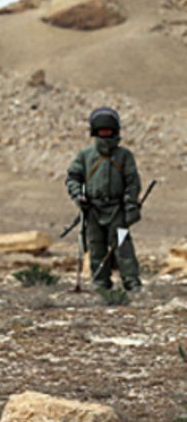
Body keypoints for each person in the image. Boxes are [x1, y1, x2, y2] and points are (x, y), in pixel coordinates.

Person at [65, 106, 142, 292]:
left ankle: (131, 282)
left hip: (118, 211)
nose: (105, 135)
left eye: (108, 131)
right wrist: (79, 196)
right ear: (95, 131)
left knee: (123, 246)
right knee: (96, 248)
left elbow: (133, 183)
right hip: (93, 210)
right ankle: (100, 283)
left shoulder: (124, 156)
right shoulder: (85, 156)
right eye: (101, 131)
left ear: (115, 131)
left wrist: (130, 206)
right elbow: (72, 177)